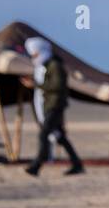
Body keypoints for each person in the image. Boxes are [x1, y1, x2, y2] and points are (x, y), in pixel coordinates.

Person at [23, 37, 83, 176]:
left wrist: (37, 84)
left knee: (44, 134)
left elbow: (57, 86)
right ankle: (77, 164)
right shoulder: (46, 67)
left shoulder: (54, 66)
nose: (33, 58)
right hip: (50, 104)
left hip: (55, 105)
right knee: (60, 137)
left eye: (35, 55)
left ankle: (37, 164)